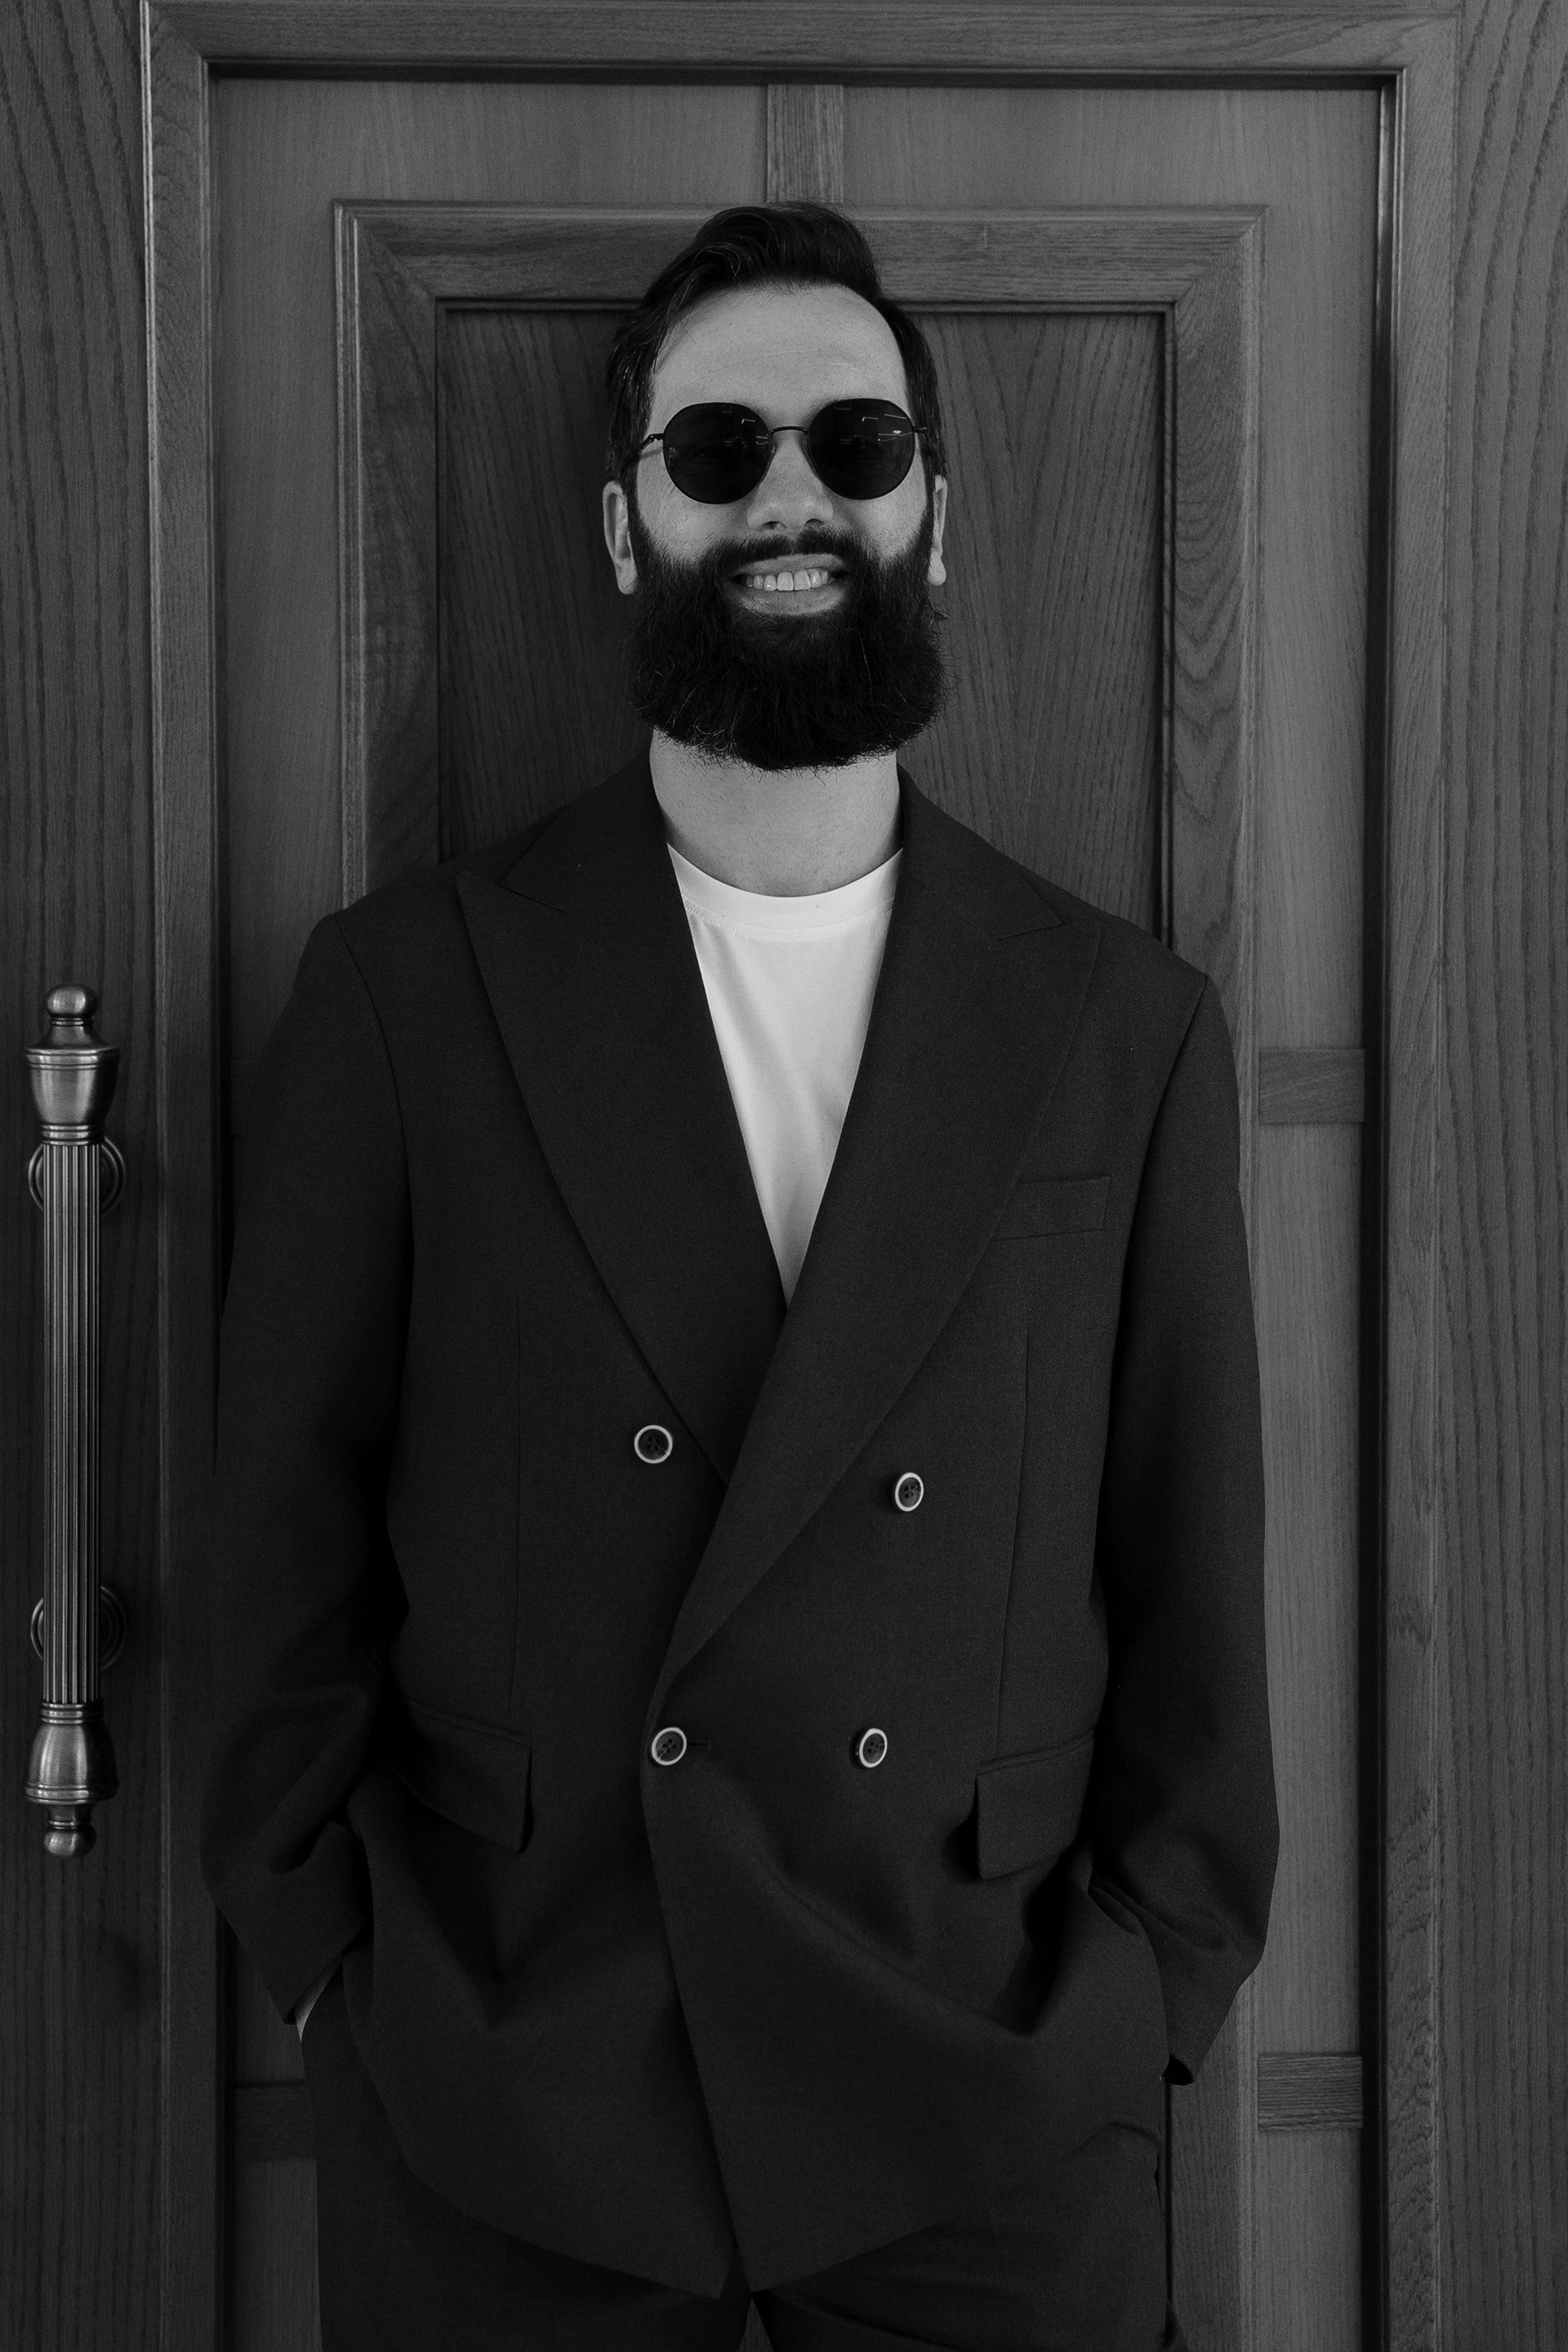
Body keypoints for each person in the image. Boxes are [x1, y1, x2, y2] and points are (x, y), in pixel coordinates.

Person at [200, 203, 1277, 2352]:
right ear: (627, 527)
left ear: (934, 513)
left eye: (855, 445)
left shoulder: (1120, 1027)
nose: (792, 498)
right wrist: (334, 1968)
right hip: (521, 2092)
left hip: (990, 2094)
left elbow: (1194, 1585)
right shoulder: (408, 999)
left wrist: (1150, 1991)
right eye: (718, 452)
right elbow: (275, 1552)